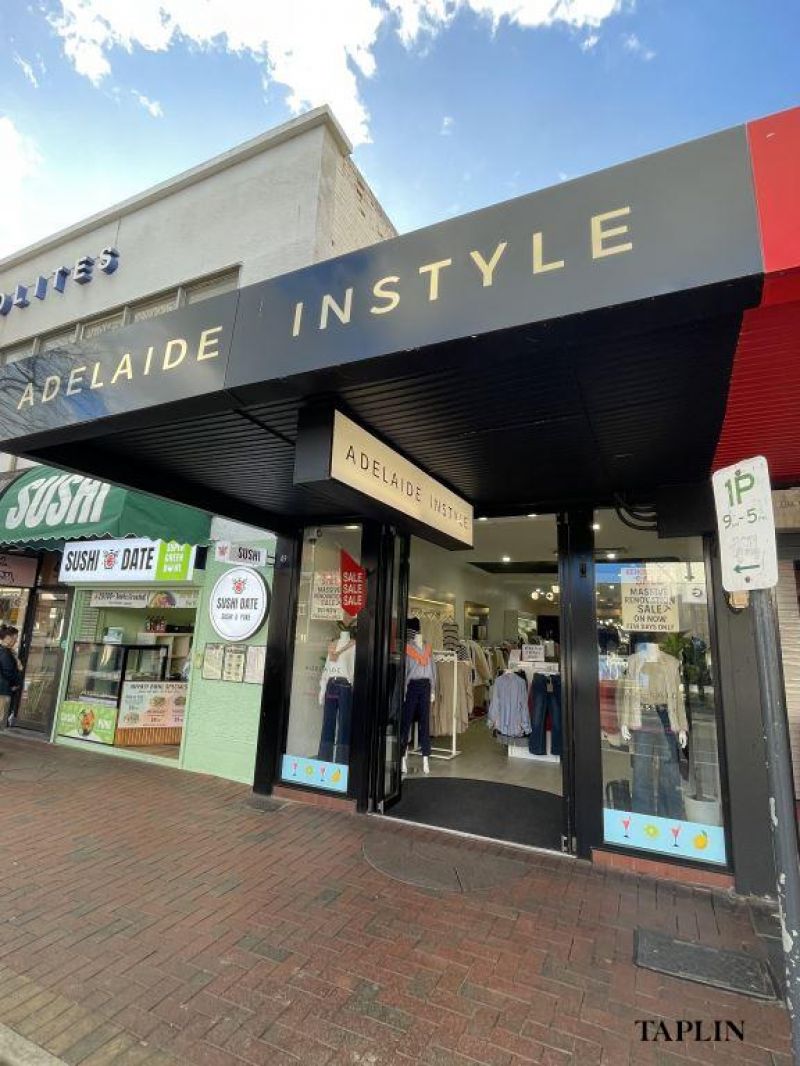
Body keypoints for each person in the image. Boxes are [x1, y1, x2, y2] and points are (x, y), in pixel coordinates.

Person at [0, 625, 23, 728]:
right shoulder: (4, 652)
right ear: (8, 638)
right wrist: (15, 683)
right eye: (15, 638)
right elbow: (8, 671)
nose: (16, 641)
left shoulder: (6, 651)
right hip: (2, 689)